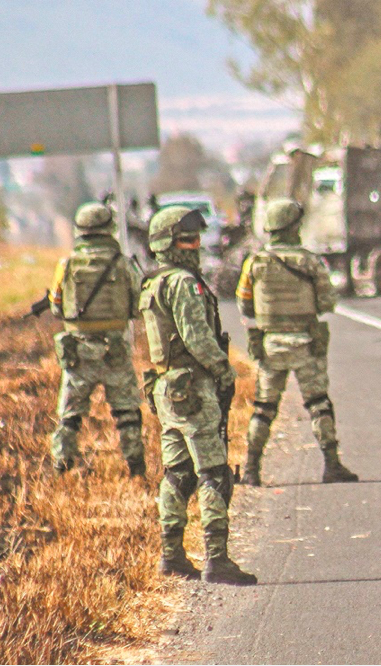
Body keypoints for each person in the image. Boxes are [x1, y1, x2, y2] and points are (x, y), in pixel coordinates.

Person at [140, 206, 257, 585]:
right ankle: (217, 558)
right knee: (213, 474)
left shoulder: (153, 282)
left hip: (167, 388)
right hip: (193, 385)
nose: (195, 246)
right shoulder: (183, 283)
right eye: (187, 239)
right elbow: (196, 336)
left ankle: (171, 554)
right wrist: (224, 372)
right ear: (168, 244)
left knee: (176, 474)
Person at [235, 198, 358, 487]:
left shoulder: (255, 263)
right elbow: (328, 301)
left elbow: (244, 305)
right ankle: (331, 465)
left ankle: (252, 470)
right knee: (319, 404)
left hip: (270, 345)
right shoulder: (310, 261)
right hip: (306, 343)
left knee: (264, 409)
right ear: (293, 227)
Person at [48, 202, 146, 475]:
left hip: (78, 351)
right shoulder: (124, 264)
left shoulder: (66, 265)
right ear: (109, 230)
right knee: (127, 413)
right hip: (114, 349)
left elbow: (56, 306)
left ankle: (61, 466)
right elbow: (139, 304)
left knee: (69, 416)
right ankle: (136, 467)